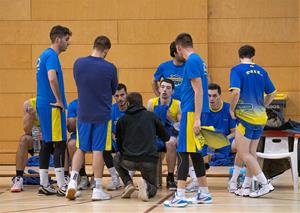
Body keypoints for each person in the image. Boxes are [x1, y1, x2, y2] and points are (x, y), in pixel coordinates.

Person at [66, 35, 118, 201]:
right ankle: (97, 188)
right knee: (98, 150)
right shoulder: (110, 67)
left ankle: (73, 182)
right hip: (102, 114)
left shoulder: (78, 63)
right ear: (106, 50)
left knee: (80, 148)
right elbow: (113, 90)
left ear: (94, 45)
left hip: (83, 113)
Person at [164, 33, 212, 208]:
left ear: (178, 48)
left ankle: (180, 195)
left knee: (183, 153)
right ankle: (204, 193)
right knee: (196, 153)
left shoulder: (191, 61)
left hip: (192, 113)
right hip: (197, 111)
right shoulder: (200, 60)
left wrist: (197, 118)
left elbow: (198, 91)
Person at [229, 44, 276, 198]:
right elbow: (272, 93)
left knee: (243, 153)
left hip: (245, 118)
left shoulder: (237, 70)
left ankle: (265, 184)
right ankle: (246, 186)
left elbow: (236, 92)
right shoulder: (262, 71)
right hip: (261, 117)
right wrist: (263, 105)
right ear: (253, 56)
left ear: (239, 55)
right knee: (251, 153)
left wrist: (231, 109)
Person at [36, 25, 72, 196]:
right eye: (66, 39)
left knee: (47, 143)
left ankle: (44, 183)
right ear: (58, 39)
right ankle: (61, 184)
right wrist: (59, 100)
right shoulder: (52, 56)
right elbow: (52, 78)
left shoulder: (43, 55)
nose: (68, 43)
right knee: (59, 142)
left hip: (43, 104)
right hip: (52, 105)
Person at [114, 92, 170, 201]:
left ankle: (128, 183)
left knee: (116, 159)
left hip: (128, 160)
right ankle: (147, 186)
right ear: (141, 103)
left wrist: (123, 153)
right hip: (148, 161)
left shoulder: (122, 120)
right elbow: (166, 137)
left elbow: (118, 144)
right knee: (153, 189)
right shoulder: (152, 116)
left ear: (128, 103)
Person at [186, 83, 237, 192]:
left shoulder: (228, 108)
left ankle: (236, 179)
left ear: (220, 95)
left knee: (239, 145)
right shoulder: (202, 109)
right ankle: (195, 180)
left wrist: (220, 141)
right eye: (209, 96)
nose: (211, 98)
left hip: (225, 140)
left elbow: (234, 132)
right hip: (206, 140)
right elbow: (197, 130)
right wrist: (208, 142)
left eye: (214, 96)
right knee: (189, 149)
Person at [147, 78, 181, 190]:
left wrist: (169, 117)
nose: (165, 90)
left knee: (171, 143)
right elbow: (147, 122)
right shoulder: (152, 103)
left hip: (170, 132)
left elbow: (180, 125)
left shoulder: (177, 104)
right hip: (155, 132)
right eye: (162, 87)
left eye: (168, 88)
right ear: (159, 89)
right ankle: (148, 177)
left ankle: (170, 177)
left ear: (173, 91)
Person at [11, 98, 41, 192]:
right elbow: (27, 130)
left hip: (51, 139)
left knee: (63, 143)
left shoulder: (56, 102)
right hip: (35, 138)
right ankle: (19, 178)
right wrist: (31, 115)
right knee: (23, 140)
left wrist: (46, 135)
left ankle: (64, 177)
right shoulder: (29, 104)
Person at [103, 83, 128, 190]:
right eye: (116, 96)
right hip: (115, 140)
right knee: (103, 147)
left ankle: (128, 179)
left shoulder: (133, 109)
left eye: (122, 95)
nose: (120, 98)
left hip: (129, 142)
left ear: (127, 94)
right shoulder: (110, 109)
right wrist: (112, 135)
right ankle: (115, 178)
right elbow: (107, 128)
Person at [66, 98, 90, 190]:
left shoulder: (96, 101)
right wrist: (82, 117)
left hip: (94, 134)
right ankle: (82, 175)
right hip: (78, 135)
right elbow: (70, 128)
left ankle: (95, 178)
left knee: (101, 144)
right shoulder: (73, 104)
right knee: (72, 144)